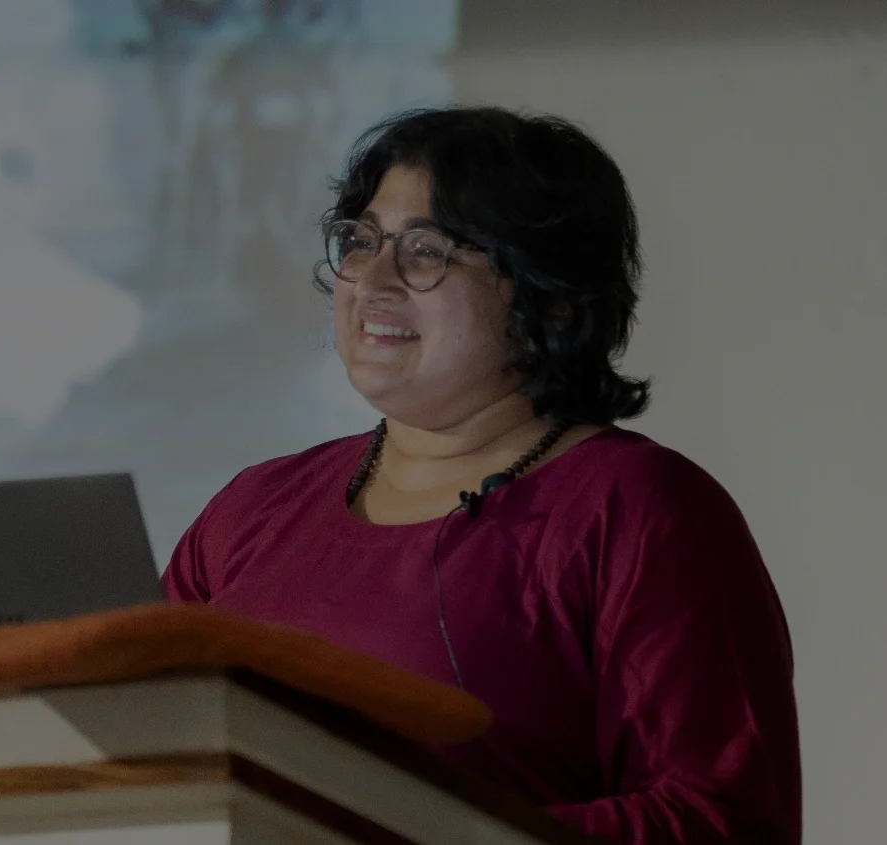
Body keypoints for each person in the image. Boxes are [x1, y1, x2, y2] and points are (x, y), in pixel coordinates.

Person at [161, 106, 802, 844]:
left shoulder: (640, 510)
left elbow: (723, 819)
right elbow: (151, 759)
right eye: (360, 240)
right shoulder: (251, 509)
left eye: (426, 250)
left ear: (550, 303)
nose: (372, 277)